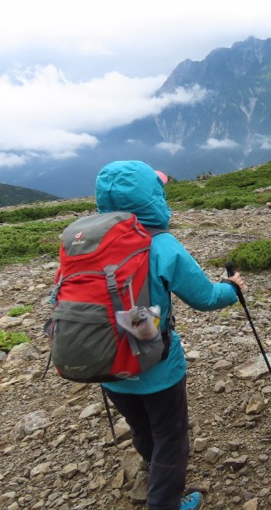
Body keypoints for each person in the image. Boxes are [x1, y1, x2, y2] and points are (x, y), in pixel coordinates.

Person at [96, 160, 245, 510]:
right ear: (152, 200)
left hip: (103, 357)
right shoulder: (162, 245)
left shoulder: (84, 243)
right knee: (171, 436)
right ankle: (166, 501)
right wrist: (233, 288)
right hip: (153, 361)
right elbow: (205, 297)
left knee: (141, 425)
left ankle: (152, 467)